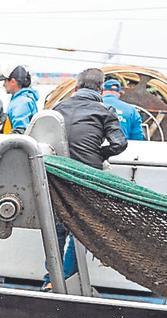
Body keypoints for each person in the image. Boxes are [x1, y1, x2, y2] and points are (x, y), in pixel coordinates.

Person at [46, 68, 129, 288]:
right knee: (79, 230)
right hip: (86, 179)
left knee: (55, 228)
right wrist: (100, 154)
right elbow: (119, 143)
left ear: (76, 88)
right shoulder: (105, 111)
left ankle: (50, 280)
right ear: (101, 89)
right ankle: (67, 280)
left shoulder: (58, 108)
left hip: (58, 174)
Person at [0, 65, 39, 133]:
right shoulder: (21, 99)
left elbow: (20, 132)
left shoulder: (22, 102)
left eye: (5, 81)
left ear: (12, 82)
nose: (3, 85)